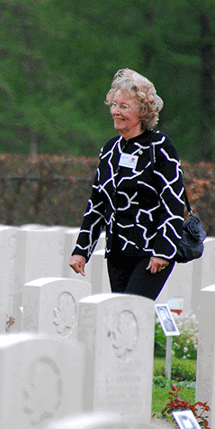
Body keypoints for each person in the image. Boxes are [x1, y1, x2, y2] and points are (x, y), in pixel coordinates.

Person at [69, 69, 185, 300]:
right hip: (118, 251)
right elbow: (97, 204)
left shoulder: (159, 146)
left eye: (124, 107)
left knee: (132, 311)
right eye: (114, 105)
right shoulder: (110, 150)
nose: (115, 112)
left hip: (151, 250)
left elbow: (173, 201)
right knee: (121, 317)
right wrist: (82, 250)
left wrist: (163, 249)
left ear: (142, 112)